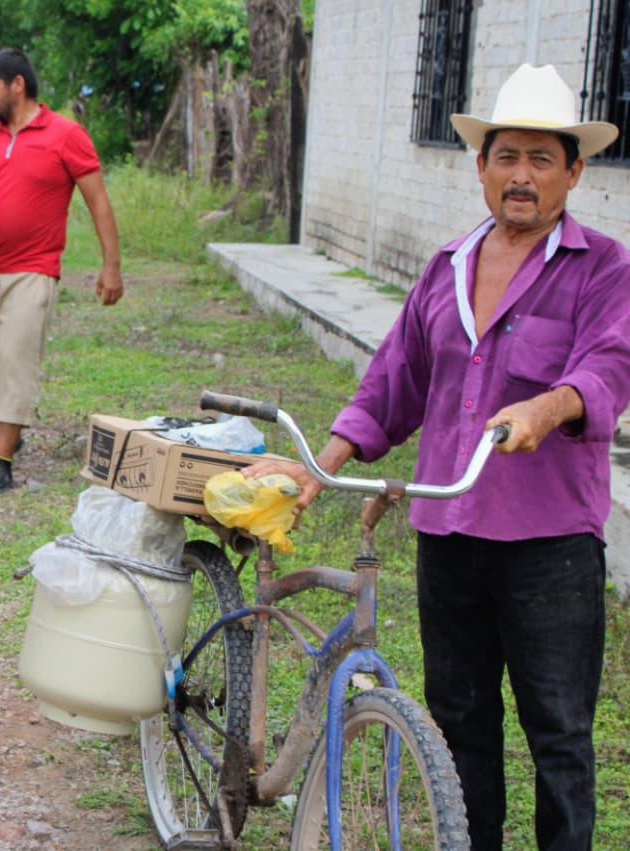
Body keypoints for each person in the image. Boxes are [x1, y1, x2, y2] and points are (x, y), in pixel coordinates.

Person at [246, 64, 630, 851]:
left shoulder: (604, 268)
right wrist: (318, 468)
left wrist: (549, 405)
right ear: (481, 165)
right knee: (458, 726)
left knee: (558, 735)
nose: (521, 177)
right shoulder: (447, 264)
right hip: (449, 533)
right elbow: (394, 382)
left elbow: (609, 367)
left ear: (574, 171)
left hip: (549, 543)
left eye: (541, 159)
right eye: (506, 157)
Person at [0, 48, 122, 495]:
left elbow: (98, 202)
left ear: (17, 85)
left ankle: (2, 459)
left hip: (33, 270)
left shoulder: (66, 134)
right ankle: (4, 431)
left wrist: (111, 267)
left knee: (17, 360)